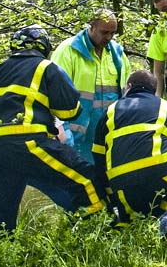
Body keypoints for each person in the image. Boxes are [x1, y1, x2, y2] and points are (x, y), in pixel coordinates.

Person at [0, 26, 105, 231]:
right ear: (44, 47)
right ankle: (99, 231)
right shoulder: (46, 67)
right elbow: (70, 111)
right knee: (87, 179)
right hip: (28, 142)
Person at [91, 70, 167, 226]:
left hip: (121, 183)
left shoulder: (110, 111)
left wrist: (111, 194)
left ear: (129, 86)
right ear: (153, 91)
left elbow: (98, 157)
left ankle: (127, 220)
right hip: (160, 174)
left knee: (129, 219)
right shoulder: (165, 106)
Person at [51, 9, 131, 160]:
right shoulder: (68, 51)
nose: (109, 37)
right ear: (91, 27)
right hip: (78, 133)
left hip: (109, 131)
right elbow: (55, 94)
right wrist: (63, 130)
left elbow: (126, 92)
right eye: (104, 32)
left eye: (112, 33)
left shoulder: (117, 54)